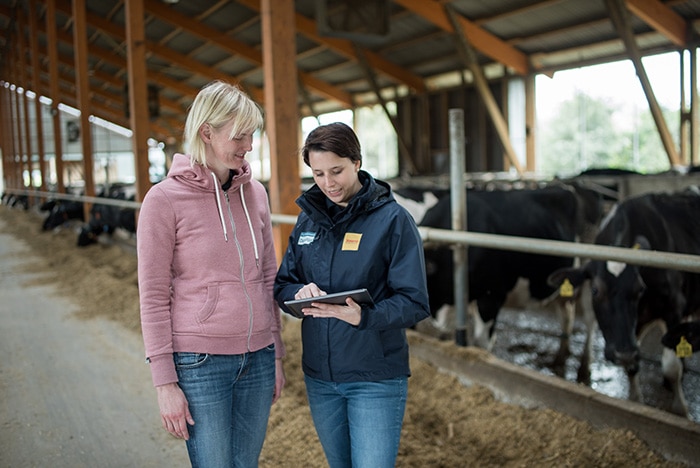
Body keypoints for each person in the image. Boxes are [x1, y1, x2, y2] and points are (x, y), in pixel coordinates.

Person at [137, 80, 286, 468]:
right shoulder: (163, 200)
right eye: (239, 135)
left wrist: (278, 356)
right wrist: (165, 384)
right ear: (207, 131)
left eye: (252, 135)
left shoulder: (256, 193)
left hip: (258, 358)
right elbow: (152, 296)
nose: (249, 145)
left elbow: (268, 276)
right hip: (200, 362)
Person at [273, 122, 430, 468]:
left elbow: (415, 300)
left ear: (356, 163)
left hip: (374, 378)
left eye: (336, 171)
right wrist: (298, 292)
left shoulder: (393, 221)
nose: (328, 183)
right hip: (320, 377)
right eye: (318, 173)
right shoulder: (307, 222)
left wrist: (365, 316)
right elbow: (283, 284)